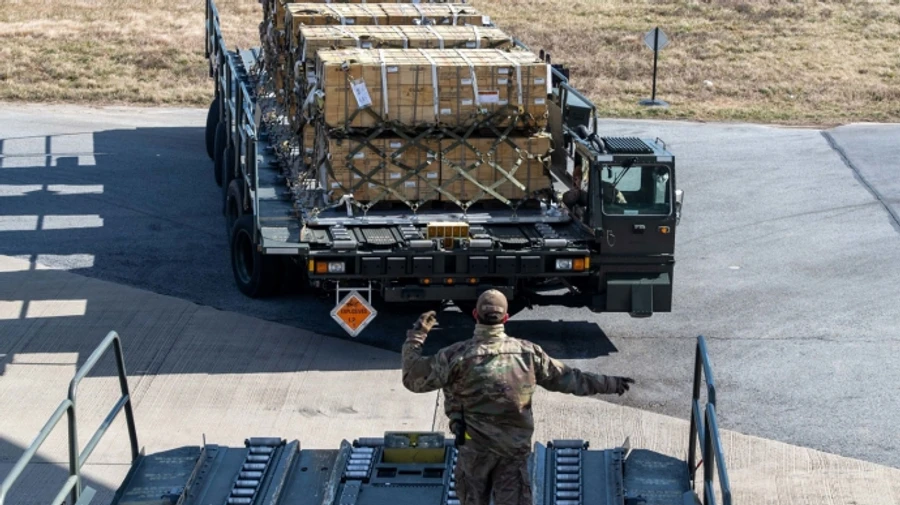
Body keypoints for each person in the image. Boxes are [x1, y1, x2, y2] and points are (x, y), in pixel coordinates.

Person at [401, 290, 634, 505]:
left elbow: (412, 379)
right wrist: (611, 383)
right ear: (506, 318)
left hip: (473, 451)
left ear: (475, 315)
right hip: (512, 453)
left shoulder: (454, 356)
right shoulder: (528, 354)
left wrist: (417, 336)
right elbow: (570, 379)